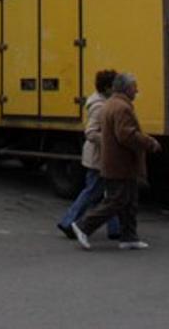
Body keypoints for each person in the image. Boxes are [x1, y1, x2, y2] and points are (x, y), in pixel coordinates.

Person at [72, 72, 162, 251]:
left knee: (129, 201)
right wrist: (149, 142)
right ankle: (83, 226)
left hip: (120, 162)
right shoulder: (122, 107)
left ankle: (129, 237)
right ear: (127, 88)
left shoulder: (113, 104)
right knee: (116, 200)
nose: (137, 91)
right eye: (135, 87)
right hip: (119, 162)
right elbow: (126, 135)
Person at [57, 69, 121, 240]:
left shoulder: (103, 102)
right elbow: (91, 132)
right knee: (95, 192)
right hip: (99, 158)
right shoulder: (99, 107)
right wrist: (111, 140)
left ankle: (115, 229)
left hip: (100, 157)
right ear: (107, 88)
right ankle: (69, 221)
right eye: (114, 86)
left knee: (108, 193)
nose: (117, 89)